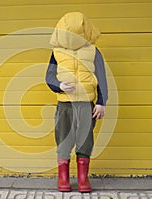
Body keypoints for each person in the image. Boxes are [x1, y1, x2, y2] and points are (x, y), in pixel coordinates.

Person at [45, 12, 108, 192]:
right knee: (64, 139)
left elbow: (102, 77)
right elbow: (49, 76)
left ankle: (83, 178)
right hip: (65, 104)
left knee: (85, 140)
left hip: (87, 105)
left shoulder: (94, 51)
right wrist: (59, 85)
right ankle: (63, 177)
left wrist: (102, 102)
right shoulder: (56, 52)